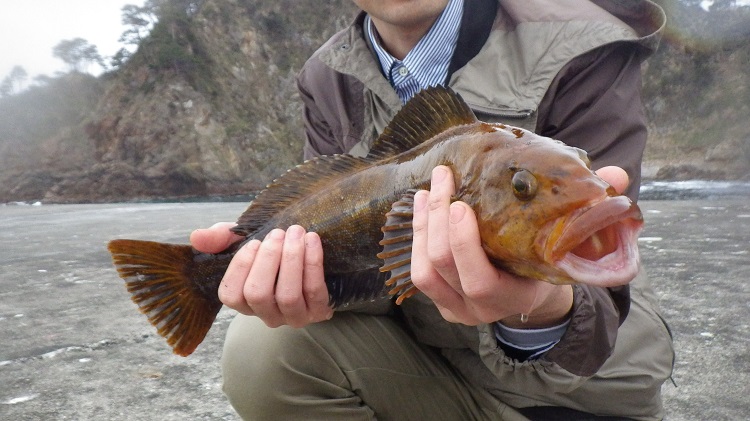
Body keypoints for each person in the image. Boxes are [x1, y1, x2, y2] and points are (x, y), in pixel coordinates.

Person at [191, 0, 674, 419]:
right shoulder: (327, 75)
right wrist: (295, 281)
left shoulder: (583, 43)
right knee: (262, 348)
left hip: (579, 401)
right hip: (429, 370)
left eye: (522, 186)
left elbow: (605, 288)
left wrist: (540, 309)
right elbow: (375, 264)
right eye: (526, 187)